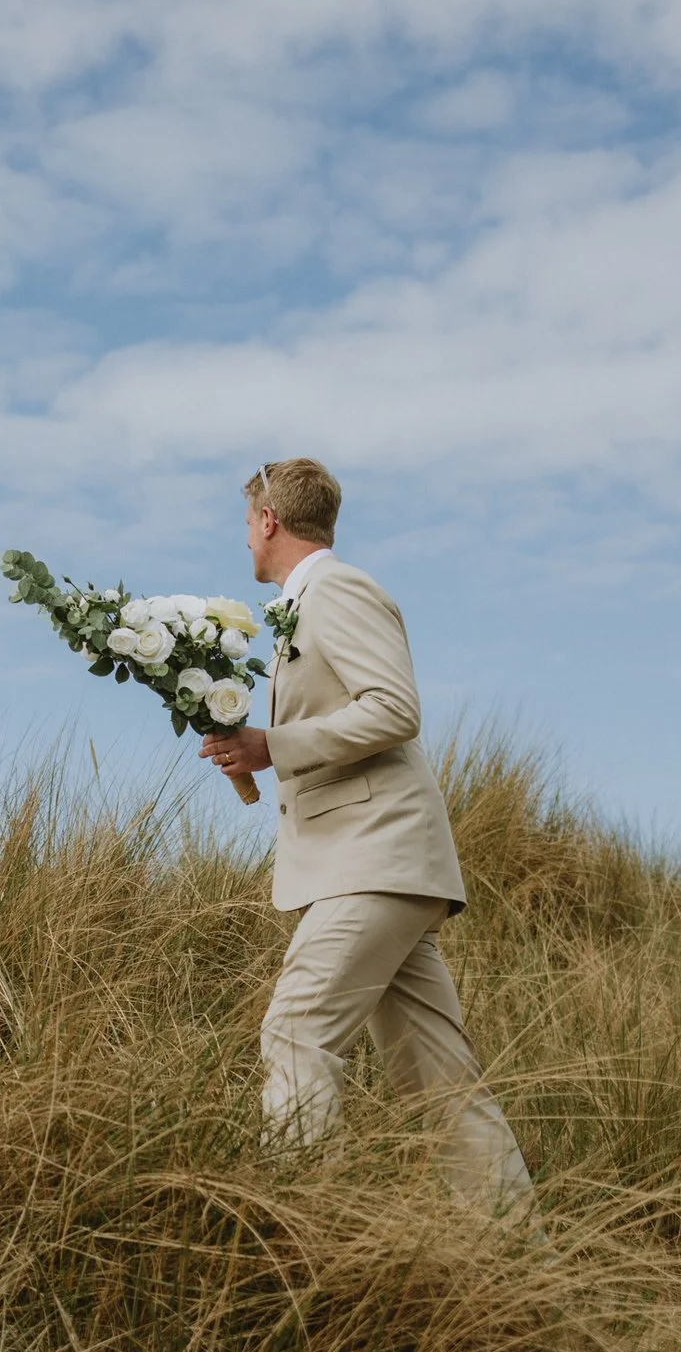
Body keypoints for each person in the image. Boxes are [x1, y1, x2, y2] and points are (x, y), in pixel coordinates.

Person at [199, 458, 534, 1215]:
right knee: (439, 1080)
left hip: (375, 857)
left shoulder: (337, 588)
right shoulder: (300, 605)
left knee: (296, 1031)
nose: (244, 539)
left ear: (267, 521)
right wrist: (251, 749)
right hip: (375, 864)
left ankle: (305, 1226)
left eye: (245, 525)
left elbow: (394, 708)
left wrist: (272, 746)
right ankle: (518, 1253)